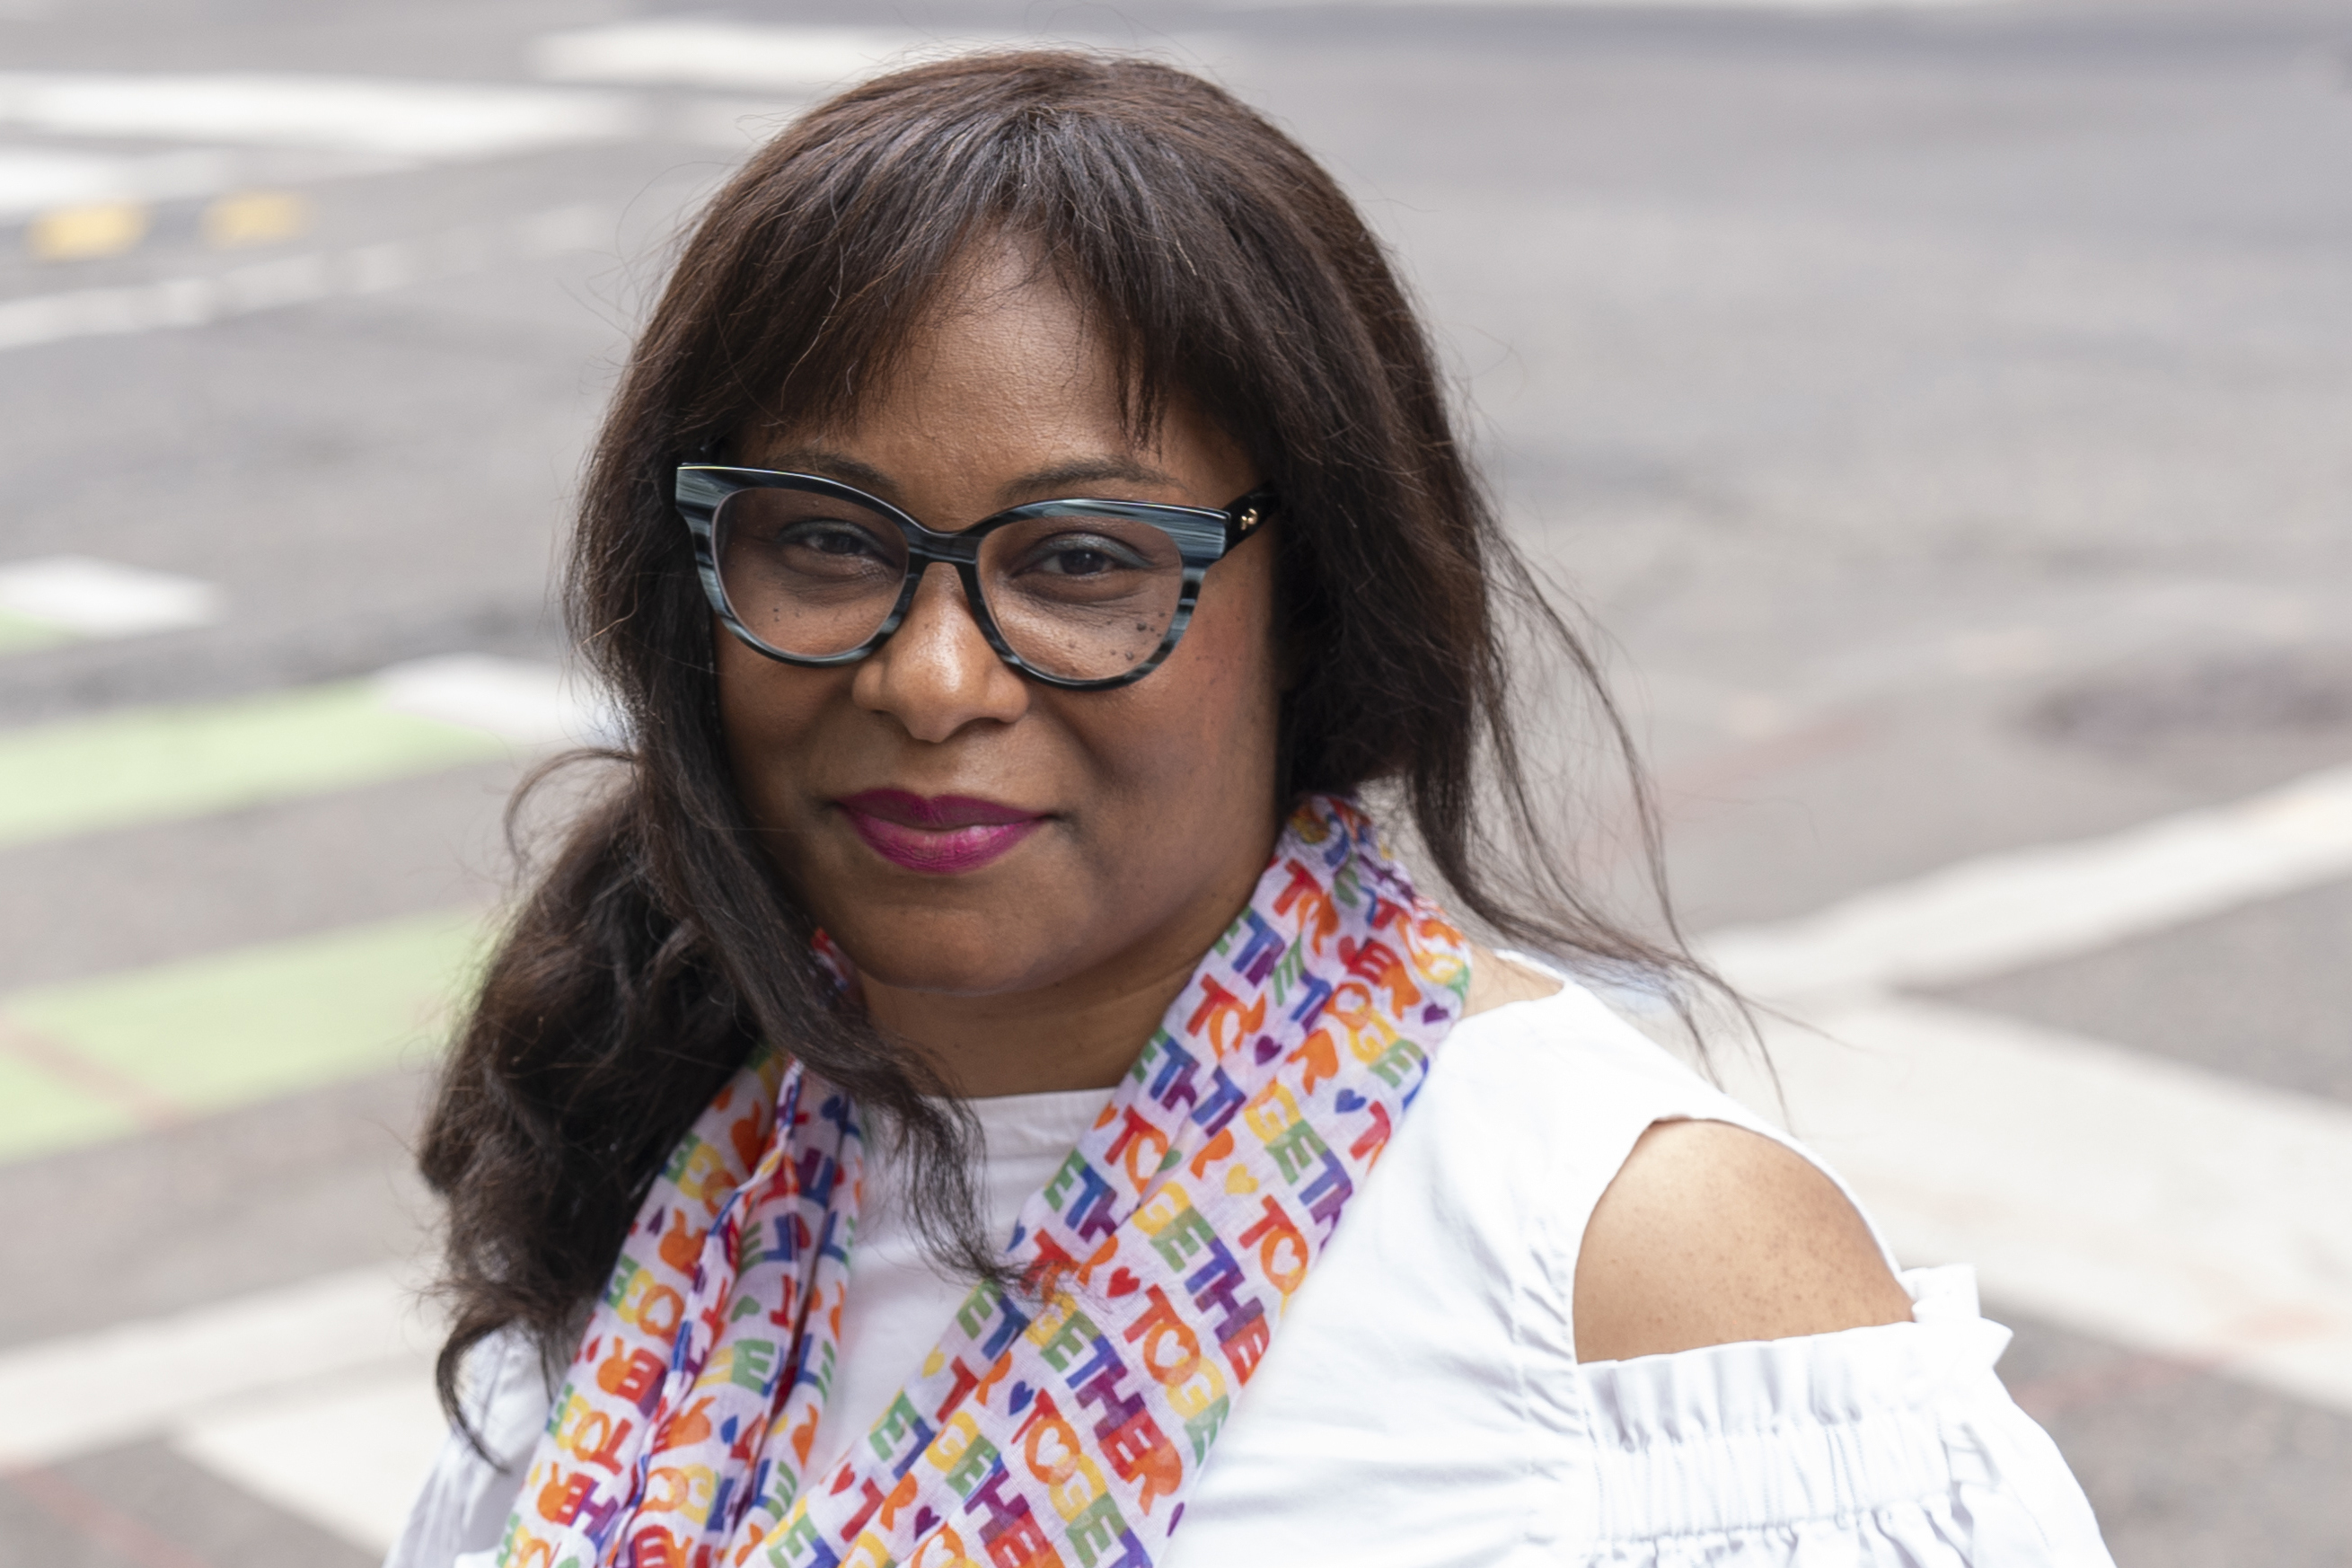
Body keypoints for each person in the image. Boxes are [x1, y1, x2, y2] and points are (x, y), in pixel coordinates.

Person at [389, 49, 2114, 1568]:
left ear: (1315, 606)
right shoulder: (685, 1170)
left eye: (1080, 562)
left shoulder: (1631, 1271)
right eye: (825, 543)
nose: (929, 680)